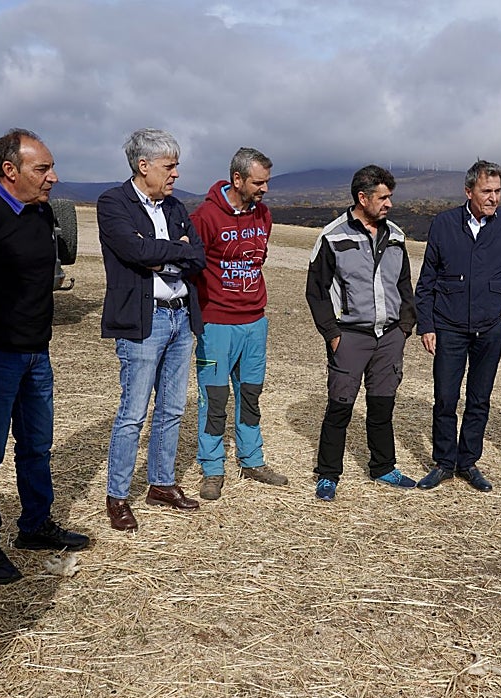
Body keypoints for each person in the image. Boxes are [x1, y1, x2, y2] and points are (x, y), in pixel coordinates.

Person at [0, 129, 90, 583]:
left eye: (51, 168)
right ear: (10, 170)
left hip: (36, 355)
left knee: (36, 447)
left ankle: (34, 526)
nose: (53, 177)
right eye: (42, 169)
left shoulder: (40, 211)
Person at [98, 128, 206, 531]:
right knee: (133, 413)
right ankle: (118, 496)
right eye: (169, 166)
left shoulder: (175, 206)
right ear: (143, 166)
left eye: (176, 165)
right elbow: (135, 250)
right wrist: (172, 251)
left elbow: (198, 256)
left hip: (180, 316)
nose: (176, 173)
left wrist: (161, 257)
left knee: (173, 408)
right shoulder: (114, 203)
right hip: (144, 319)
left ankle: (161, 484)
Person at [414, 160, 501, 492]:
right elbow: (427, 280)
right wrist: (426, 324)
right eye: (486, 191)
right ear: (469, 191)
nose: (493, 197)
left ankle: (468, 462)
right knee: (445, 397)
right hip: (448, 325)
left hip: (491, 327)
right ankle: (444, 463)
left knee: (479, 398)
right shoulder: (444, 224)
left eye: (498, 191)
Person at [306, 165, 416, 501]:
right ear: (362, 198)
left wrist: (405, 326)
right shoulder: (332, 236)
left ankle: (383, 467)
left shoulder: (395, 235)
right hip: (350, 336)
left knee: (382, 406)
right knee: (339, 408)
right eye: (383, 198)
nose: (389, 204)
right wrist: (332, 333)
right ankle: (328, 474)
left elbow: (404, 284)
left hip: (389, 336)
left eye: (390, 197)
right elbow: (316, 291)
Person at [188, 147, 289, 501]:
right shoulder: (205, 216)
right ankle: (212, 468)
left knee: (250, 394)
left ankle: (252, 461)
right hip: (216, 324)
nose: (265, 189)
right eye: (258, 183)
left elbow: (257, 260)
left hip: (255, 322)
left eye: (267, 182)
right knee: (214, 398)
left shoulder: (264, 215)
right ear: (237, 179)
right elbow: (192, 266)